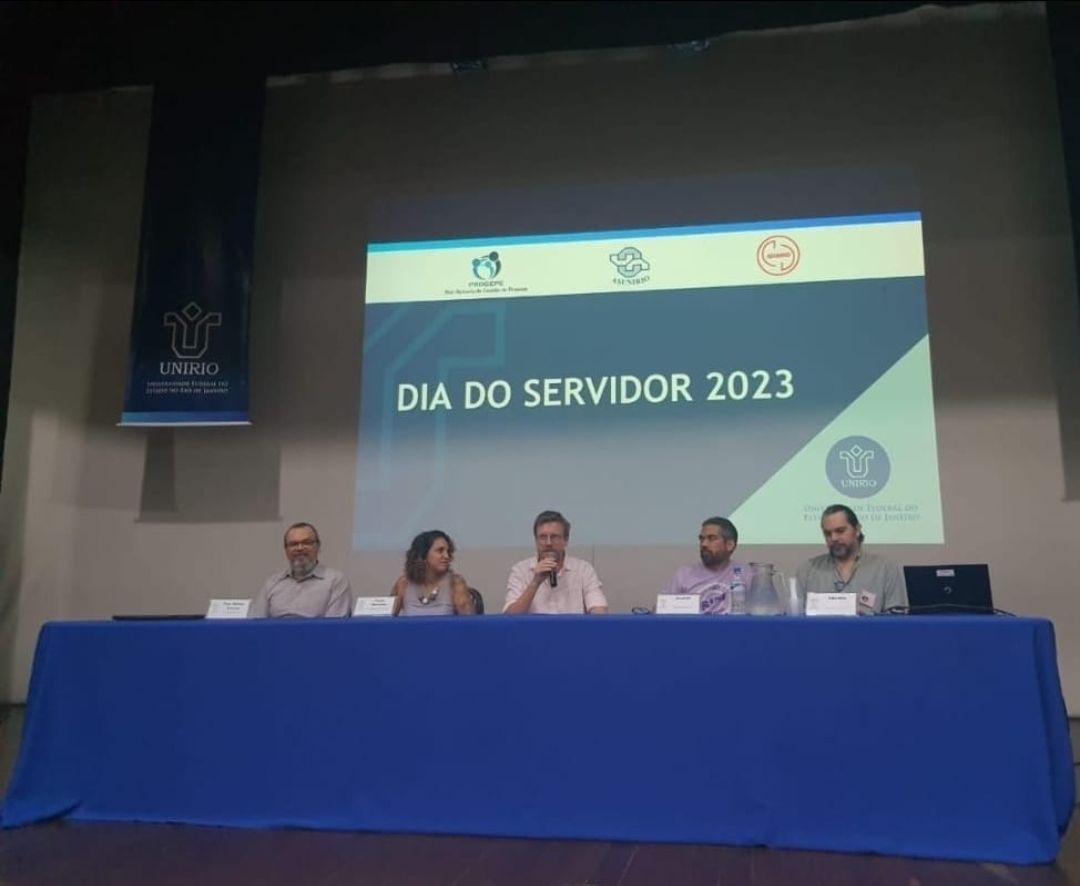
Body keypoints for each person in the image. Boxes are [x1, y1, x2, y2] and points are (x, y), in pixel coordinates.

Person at [796, 504, 907, 614]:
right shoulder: (808, 570)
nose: (833, 538)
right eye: (827, 533)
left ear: (857, 530)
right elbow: (797, 616)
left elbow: (898, 618)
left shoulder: (885, 569)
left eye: (840, 531)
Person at [503, 510, 608, 614]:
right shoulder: (520, 571)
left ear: (565, 540)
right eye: (543, 537)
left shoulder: (584, 570)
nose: (548, 543)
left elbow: (599, 609)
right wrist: (535, 582)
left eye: (554, 537)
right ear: (536, 541)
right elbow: (510, 616)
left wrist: (596, 612)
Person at [249, 522, 353, 618]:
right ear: (286, 550)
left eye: (306, 543)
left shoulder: (335, 581)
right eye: (293, 544)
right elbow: (255, 622)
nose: (299, 548)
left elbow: (334, 627)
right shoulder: (272, 583)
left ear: (318, 547)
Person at [666, 517, 750, 614]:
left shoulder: (745, 574)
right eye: (702, 539)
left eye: (712, 538)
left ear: (729, 545)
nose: (704, 544)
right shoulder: (683, 574)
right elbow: (664, 612)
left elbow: (759, 613)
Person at [392, 530, 476, 616]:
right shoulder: (403, 583)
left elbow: (470, 622)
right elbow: (387, 619)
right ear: (422, 555)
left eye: (448, 552)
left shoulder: (455, 583)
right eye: (440, 551)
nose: (446, 556)